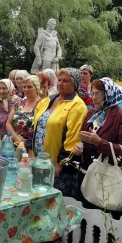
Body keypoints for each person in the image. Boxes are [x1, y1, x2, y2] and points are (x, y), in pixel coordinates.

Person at [74, 78, 122, 219]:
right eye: (92, 94)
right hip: (87, 171)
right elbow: (85, 137)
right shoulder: (92, 113)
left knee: (104, 220)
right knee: (85, 215)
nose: (94, 98)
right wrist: (80, 146)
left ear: (109, 94)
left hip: (107, 177)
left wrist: (99, 142)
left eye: (98, 94)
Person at [32, 68, 87, 198]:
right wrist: (31, 151)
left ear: (74, 85)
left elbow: (72, 138)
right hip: (40, 160)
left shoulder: (77, 106)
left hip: (58, 166)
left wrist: (60, 163)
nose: (60, 83)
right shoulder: (48, 100)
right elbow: (36, 125)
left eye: (66, 81)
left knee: (54, 202)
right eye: (60, 80)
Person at [6, 75, 41, 149]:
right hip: (15, 144)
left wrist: (27, 142)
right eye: (24, 87)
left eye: (29, 87)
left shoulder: (42, 104)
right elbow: (8, 123)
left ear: (37, 87)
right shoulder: (19, 103)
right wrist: (16, 138)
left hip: (32, 146)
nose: (26, 89)